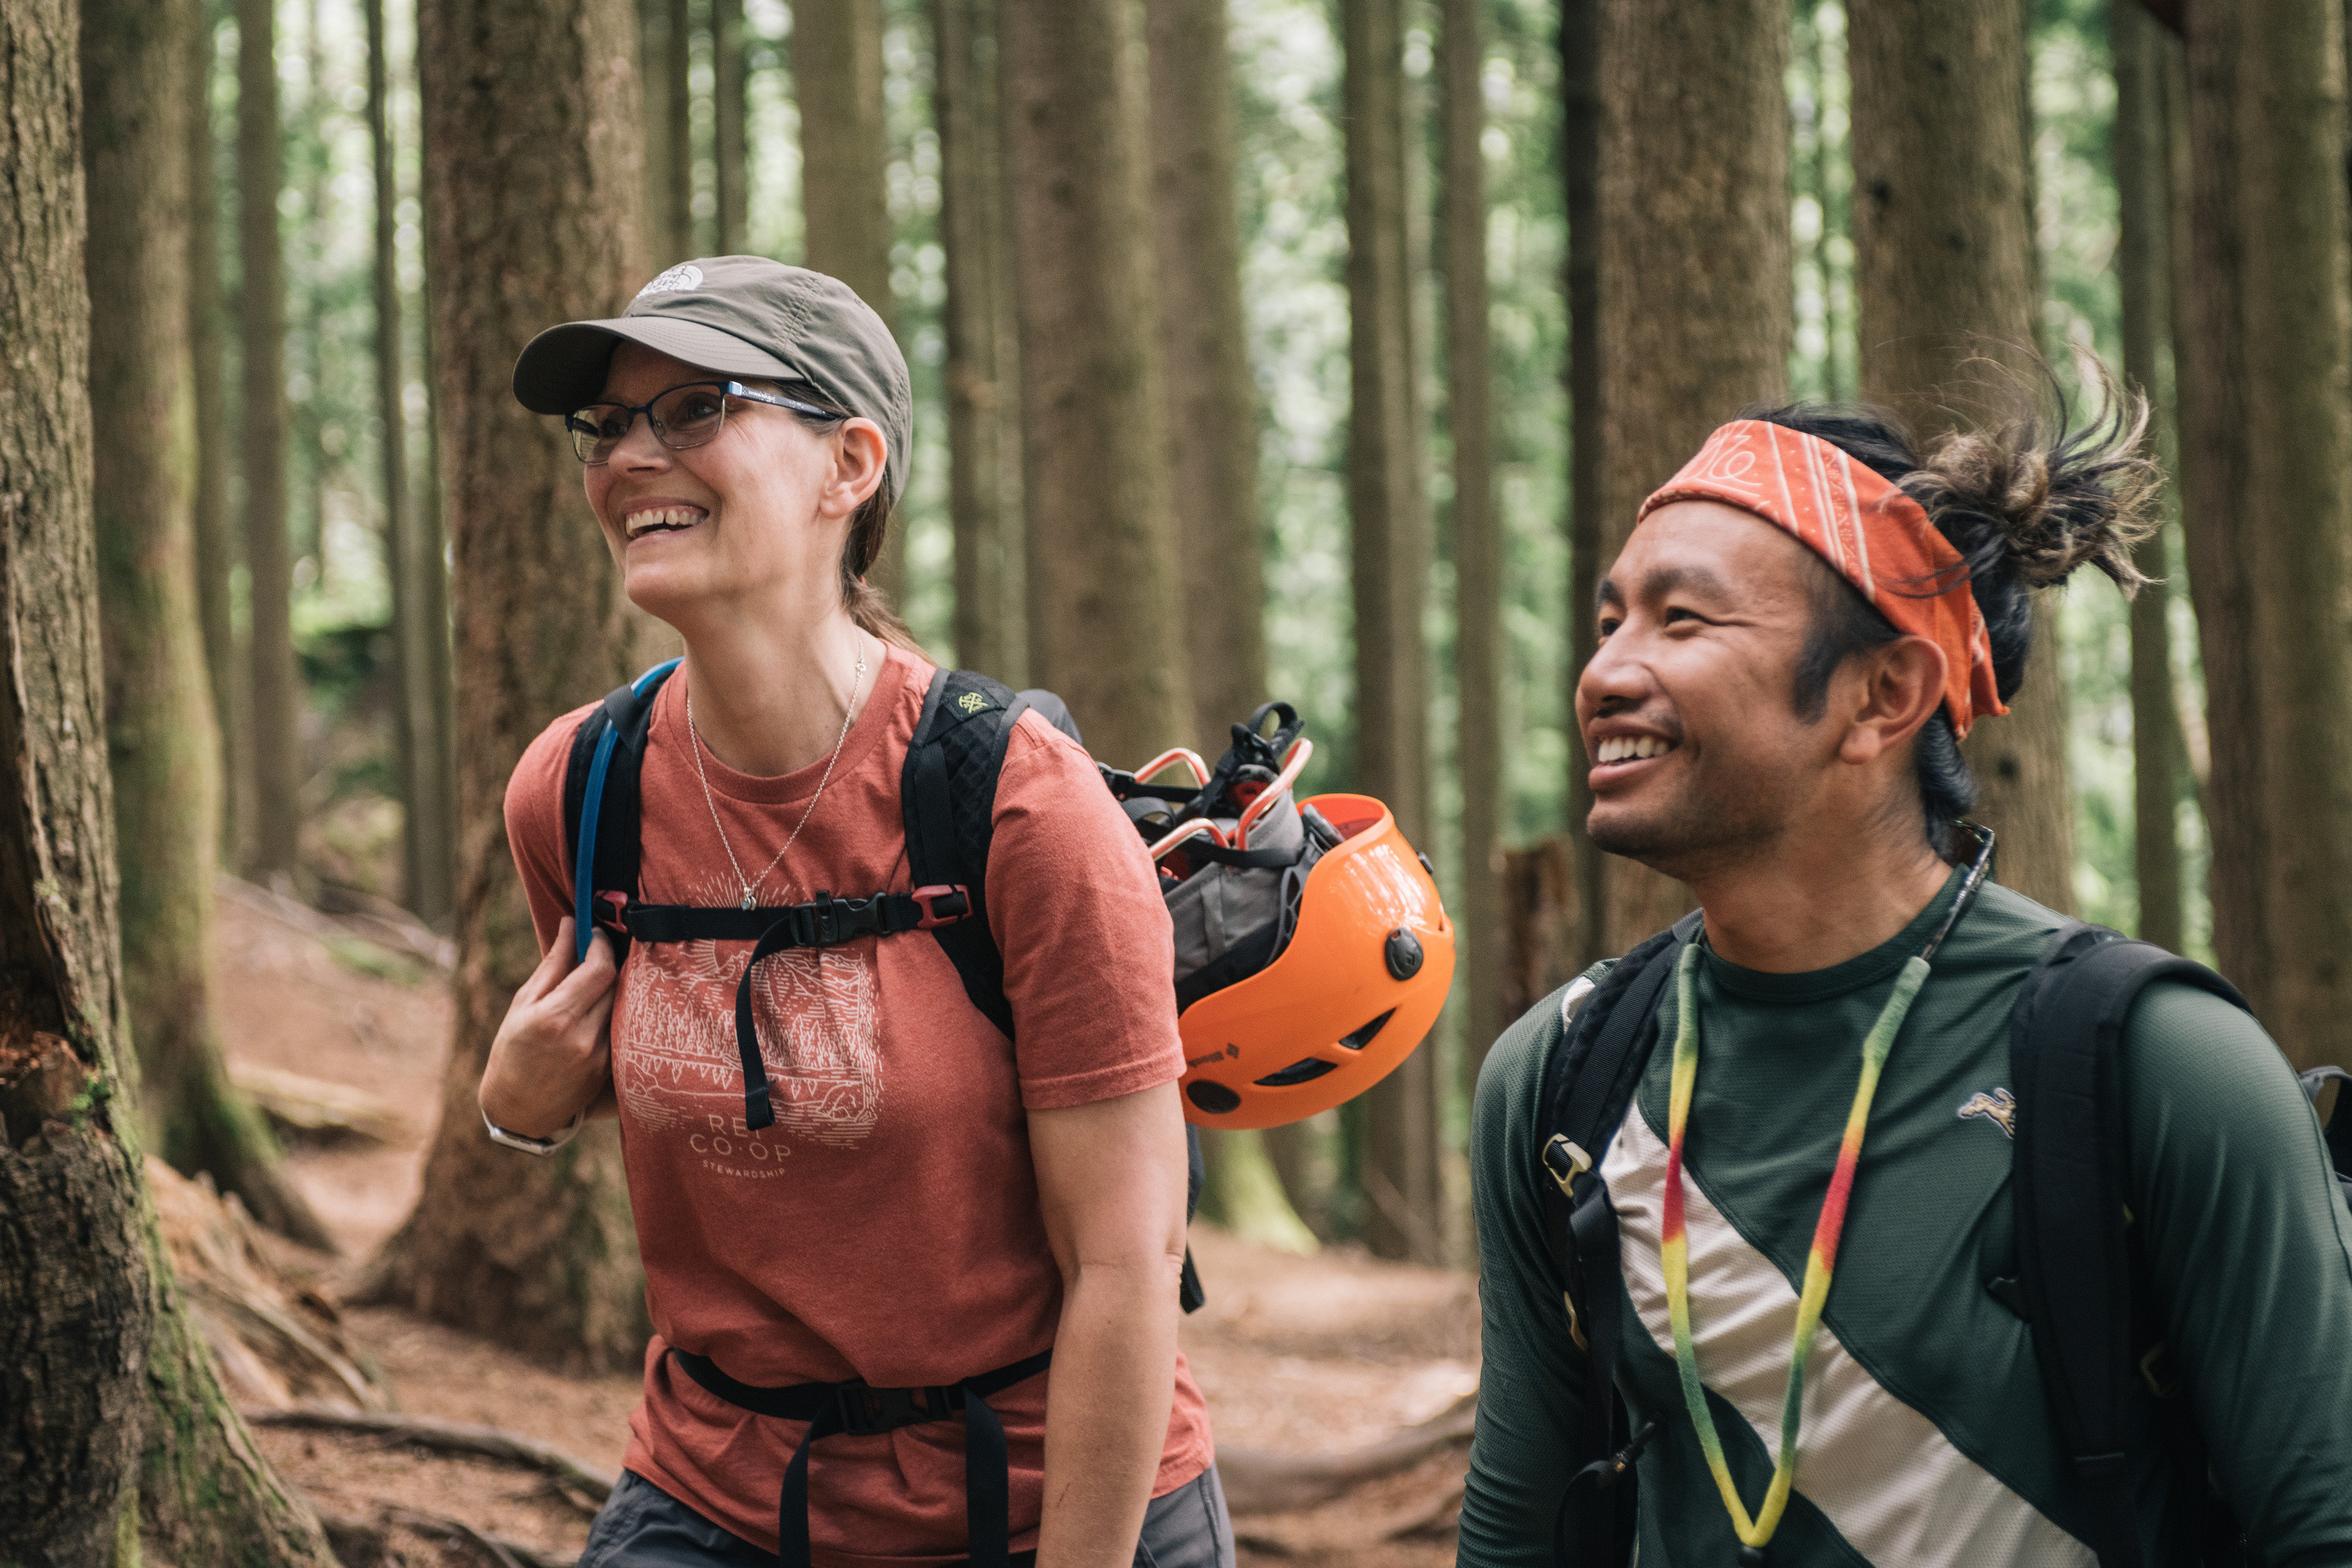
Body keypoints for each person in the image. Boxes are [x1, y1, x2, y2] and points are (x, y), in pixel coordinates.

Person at [1459, 387, 2352, 1566]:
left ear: (1883, 693)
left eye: (1680, 622)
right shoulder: (1559, 1072)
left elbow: (2320, 1526)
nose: (1605, 673)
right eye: (1609, 620)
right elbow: (1517, 1526)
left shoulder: (2153, 1066)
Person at [479, 256, 1232, 1568]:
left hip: (1046, 1498)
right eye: (606, 424)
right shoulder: (577, 791)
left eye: (697, 407)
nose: (631, 456)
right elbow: (607, 1077)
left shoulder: (1017, 805)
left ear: (850, 465)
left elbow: (1124, 1262)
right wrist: (514, 1107)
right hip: (714, 1494)